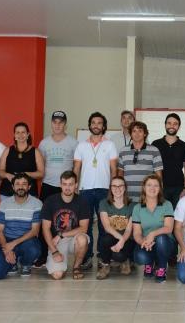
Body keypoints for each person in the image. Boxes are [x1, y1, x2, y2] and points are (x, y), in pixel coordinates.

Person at [73, 112, 118, 269]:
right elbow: (76, 169)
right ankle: (87, 256)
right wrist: (75, 188)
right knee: (85, 226)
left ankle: (102, 256)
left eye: (99, 123)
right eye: (93, 122)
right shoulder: (81, 145)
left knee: (103, 226)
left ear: (103, 126)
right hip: (84, 190)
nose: (96, 125)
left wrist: (112, 189)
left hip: (104, 190)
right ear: (89, 125)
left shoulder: (110, 145)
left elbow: (114, 170)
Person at [0, 173, 42, 279]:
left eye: (24, 184)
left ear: (29, 187)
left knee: (34, 250)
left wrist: (13, 244)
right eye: (17, 184)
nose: (21, 187)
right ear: (13, 187)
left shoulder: (37, 203)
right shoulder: (4, 204)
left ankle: (25, 264)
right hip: (7, 240)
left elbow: (34, 231)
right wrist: (7, 249)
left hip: (26, 241)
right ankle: (13, 262)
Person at [41, 171, 90, 280]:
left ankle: (77, 266)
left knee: (83, 239)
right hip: (57, 242)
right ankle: (61, 265)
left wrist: (61, 234)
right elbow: (45, 229)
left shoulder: (82, 201)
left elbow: (84, 228)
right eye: (64, 184)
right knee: (57, 275)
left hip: (74, 238)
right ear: (60, 184)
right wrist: (54, 251)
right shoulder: (50, 201)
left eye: (71, 184)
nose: (67, 188)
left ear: (76, 185)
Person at [132, 174, 176, 283]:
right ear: (144, 188)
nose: (152, 188)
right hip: (147, 243)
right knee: (140, 257)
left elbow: (168, 228)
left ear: (160, 188)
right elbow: (137, 233)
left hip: (165, 242)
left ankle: (161, 267)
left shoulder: (167, 204)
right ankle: (149, 263)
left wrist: (152, 234)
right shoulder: (137, 208)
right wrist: (144, 242)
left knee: (161, 239)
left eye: (156, 185)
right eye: (149, 185)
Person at [96, 176, 135, 279]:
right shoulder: (104, 203)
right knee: (105, 239)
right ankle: (105, 265)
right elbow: (107, 227)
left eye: (120, 186)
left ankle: (125, 260)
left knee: (120, 256)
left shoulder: (132, 205)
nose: (117, 189)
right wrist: (120, 239)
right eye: (114, 186)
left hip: (127, 239)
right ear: (110, 188)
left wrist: (122, 241)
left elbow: (128, 230)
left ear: (125, 187)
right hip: (111, 238)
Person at [118, 121, 163, 204]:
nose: (137, 134)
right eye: (134, 131)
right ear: (130, 134)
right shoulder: (123, 151)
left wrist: (159, 194)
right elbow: (120, 174)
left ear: (145, 134)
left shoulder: (154, 150)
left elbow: (158, 175)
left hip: (147, 196)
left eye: (140, 131)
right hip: (127, 197)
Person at [0, 122, 45, 200]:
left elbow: (41, 173)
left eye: (23, 132)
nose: (20, 135)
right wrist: (7, 175)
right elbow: (0, 171)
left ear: (28, 134)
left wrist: (26, 174)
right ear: (14, 135)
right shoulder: (7, 150)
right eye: (17, 132)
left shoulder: (36, 151)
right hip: (8, 192)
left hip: (29, 193)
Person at [39, 111, 78, 200]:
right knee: (47, 213)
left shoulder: (74, 143)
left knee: (66, 213)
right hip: (47, 185)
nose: (57, 125)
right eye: (55, 122)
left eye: (61, 122)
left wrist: (75, 184)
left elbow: (77, 166)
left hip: (66, 186)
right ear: (51, 124)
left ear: (65, 124)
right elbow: (41, 165)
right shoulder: (44, 143)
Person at [152, 113, 185, 207]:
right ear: (165, 125)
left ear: (179, 127)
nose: (172, 126)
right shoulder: (155, 144)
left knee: (177, 217)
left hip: (179, 188)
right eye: (169, 123)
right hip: (160, 188)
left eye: (175, 124)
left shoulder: (184, 146)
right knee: (162, 218)